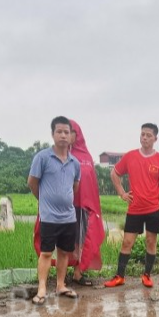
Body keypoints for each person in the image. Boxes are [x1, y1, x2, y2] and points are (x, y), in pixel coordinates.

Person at [106, 123, 159, 288]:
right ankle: (119, 276)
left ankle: (147, 275)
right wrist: (121, 193)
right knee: (127, 242)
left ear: (155, 138)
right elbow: (114, 173)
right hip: (134, 209)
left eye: (149, 135)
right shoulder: (130, 156)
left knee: (151, 242)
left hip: (153, 210)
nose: (145, 137)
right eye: (142, 134)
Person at [28, 116, 81, 304]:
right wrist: (44, 201)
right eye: (59, 131)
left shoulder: (75, 163)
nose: (63, 135)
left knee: (64, 252)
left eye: (66, 132)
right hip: (49, 217)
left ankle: (60, 285)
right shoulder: (42, 158)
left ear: (71, 136)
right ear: (52, 134)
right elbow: (32, 183)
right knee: (46, 253)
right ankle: (42, 288)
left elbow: (74, 186)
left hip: (68, 217)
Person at [66, 119, 105, 287]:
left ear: (77, 134)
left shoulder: (87, 157)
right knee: (66, 239)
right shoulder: (62, 154)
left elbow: (91, 183)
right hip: (66, 205)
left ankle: (78, 272)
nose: (67, 135)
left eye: (70, 132)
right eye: (64, 132)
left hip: (85, 206)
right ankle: (62, 274)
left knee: (82, 239)